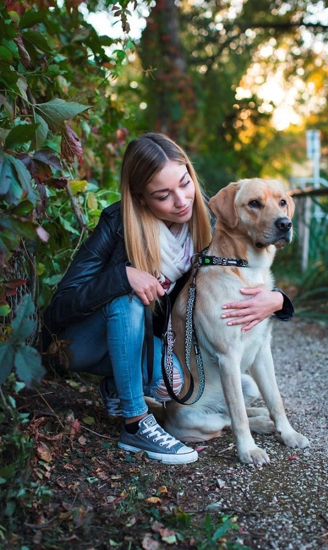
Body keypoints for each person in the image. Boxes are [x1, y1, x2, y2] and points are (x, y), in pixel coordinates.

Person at [42, 132, 294, 465]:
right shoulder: (117, 224)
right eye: (163, 194)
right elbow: (60, 306)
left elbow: (238, 268)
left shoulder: (201, 223)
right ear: (141, 198)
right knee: (127, 298)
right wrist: (122, 276)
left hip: (138, 340)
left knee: (179, 381)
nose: (182, 201)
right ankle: (136, 425)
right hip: (82, 343)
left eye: (185, 183)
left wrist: (278, 300)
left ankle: (119, 384)